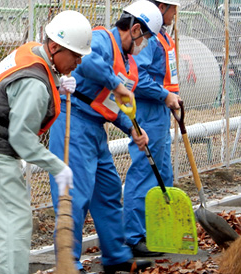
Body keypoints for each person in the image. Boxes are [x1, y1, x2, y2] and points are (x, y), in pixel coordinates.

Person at [0, 10, 92, 274]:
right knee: (15, 223)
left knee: (9, 223)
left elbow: (37, 82)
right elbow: (21, 139)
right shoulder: (34, 84)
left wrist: (58, 82)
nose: (78, 62)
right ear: (54, 47)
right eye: (75, 55)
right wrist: (58, 167)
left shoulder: (36, 50)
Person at [48, 1, 163, 273]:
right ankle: (69, 265)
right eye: (146, 37)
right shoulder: (99, 39)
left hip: (95, 128)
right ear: (135, 29)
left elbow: (113, 104)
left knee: (109, 191)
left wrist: (132, 128)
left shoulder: (128, 63)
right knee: (74, 197)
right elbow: (85, 61)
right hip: (72, 121)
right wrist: (115, 82)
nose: (145, 44)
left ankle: (116, 256)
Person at [123, 0, 181, 257]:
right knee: (146, 170)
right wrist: (163, 95)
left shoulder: (162, 36)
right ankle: (135, 236)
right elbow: (138, 76)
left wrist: (170, 97)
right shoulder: (149, 38)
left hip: (159, 111)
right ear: (161, 7)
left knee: (162, 172)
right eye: (173, 8)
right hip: (148, 111)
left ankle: (154, 229)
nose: (175, 14)